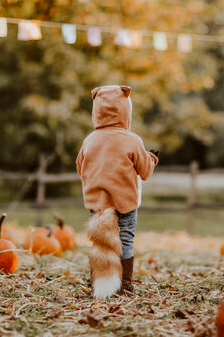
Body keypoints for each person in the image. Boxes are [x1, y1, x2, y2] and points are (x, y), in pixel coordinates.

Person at [76, 85, 159, 298]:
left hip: (98, 205)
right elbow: (145, 172)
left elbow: (80, 167)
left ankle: (98, 282)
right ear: (125, 110)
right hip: (126, 203)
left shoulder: (89, 140)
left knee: (101, 242)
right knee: (125, 239)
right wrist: (152, 159)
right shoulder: (132, 140)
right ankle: (124, 284)